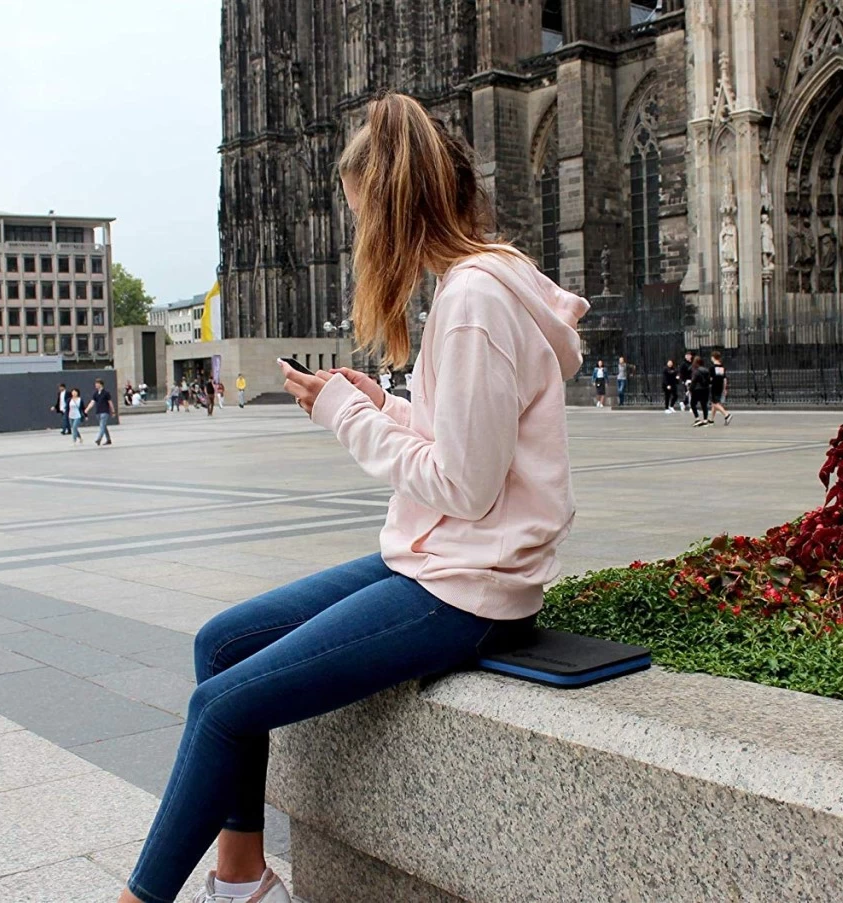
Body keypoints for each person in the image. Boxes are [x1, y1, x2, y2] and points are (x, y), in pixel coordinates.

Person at [119, 92, 587, 903]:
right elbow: (469, 444)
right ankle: (242, 882)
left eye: (361, 213)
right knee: (221, 644)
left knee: (220, 706)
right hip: (443, 561)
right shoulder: (483, 282)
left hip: (468, 589)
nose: (360, 235)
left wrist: (347, 416)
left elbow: (466, 487)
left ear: (393, 208)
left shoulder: (472, 303)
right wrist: (382, 405)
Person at [87, 378, 115, 446]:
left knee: (102, 425)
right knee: (103, 426)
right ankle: (108, 440)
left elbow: (110, 402)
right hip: (98, 412)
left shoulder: (106, 393)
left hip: (105, 411)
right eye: (95, 384)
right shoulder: (95, 393)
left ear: (101, 384)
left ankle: (98, 439)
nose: (96, 385)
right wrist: (86, 409)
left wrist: (113, 411)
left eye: (97, 384)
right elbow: (92, 402)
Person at [710, 350, 732, 425]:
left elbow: (710, 378)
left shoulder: (712, 368)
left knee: (715, 403)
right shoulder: (722, 367)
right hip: (720, 386)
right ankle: (711, 419)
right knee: (714, 403)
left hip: (714, 386)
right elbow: (724, 379)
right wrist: (724, 388)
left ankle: (726, 415)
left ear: (713, 357)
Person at [690, 355, 711, 426]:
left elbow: (694, 381)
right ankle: (705, 420)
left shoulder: (696, 371)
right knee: (704, 405)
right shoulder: (706, 370)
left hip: (697, 389)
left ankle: (697, 418)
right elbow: (709, 380)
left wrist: (690, 389)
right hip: (705, 389)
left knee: (693, 404)